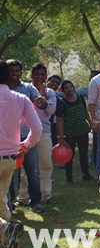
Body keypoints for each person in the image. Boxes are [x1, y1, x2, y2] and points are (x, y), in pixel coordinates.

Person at [0, 60, 42, 248]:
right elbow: (38, 129)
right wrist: (25, 145)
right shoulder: (20, 98)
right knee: (1, 199)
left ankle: (5, 229)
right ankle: (8, 231)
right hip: (10, 158)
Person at [7, 59, 46, 213]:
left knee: (32, 171)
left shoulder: (29, 89)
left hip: (27, 139)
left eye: (17, 71)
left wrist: (41, 100)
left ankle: (35, 202)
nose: (15, 74)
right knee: (9, 173)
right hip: (8, 140)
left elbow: (41, 103)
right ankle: (9, 203)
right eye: (12, 71)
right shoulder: (2, 89)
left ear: (21, 72)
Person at [17, 63, 57, 205]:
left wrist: (43, 94)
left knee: (46, 165)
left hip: (44, 132)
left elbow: (50, 111)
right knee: (26, 167)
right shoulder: (25, 90)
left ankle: (46, 194)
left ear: (46, 76)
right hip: (27, 133)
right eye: (37, 74)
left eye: (42, 75)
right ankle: (23, 197)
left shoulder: (51, 92)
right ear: (32, 75)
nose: (39, 77)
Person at [56, 80, 93, 183]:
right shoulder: (62, 103)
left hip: (83, 131)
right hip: (70, 134)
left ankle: (86, 175)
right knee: (69, 157)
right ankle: (69, 178)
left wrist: (90, 123)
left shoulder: (81, 98)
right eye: (66, 87)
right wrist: (61, 137)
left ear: (73, 87)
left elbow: (85, 112)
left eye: (70, 86)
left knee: (83, 155)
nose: (69, 89)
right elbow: (60, 121)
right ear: (63, 90)